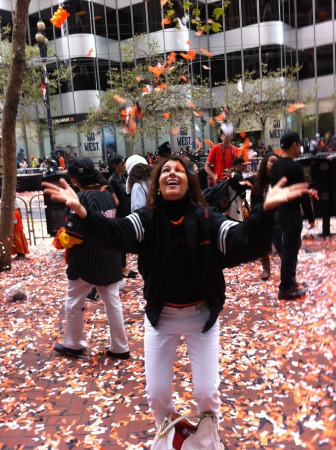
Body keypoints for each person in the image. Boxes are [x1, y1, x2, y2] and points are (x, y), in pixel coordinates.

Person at [43, 154, 309, 430]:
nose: (172, 173)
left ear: (189, 181)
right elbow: (116, 233)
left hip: (202, 317)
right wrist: (83, 213)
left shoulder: (207, 218)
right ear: (157, 183)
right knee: (157, 395)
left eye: (179, 170)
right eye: (165, 170)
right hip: (161, 318)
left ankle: (207, 440)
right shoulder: (147, 220)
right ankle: (171, 436)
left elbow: (242, 241)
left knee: (206, 393)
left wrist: (264, 211)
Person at [50, 157, 130, 359]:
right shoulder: (106, 191)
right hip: (110, 256)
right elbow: (116, 210)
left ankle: (74, 343)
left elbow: (73, 236)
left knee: (74, 301)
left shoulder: (82, 198)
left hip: (86, 260)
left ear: (75, 178)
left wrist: (61, 237)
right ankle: (120, 347)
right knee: (112, 302)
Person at [270, 132, 315, 300]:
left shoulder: (275, 166)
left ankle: (291, 280)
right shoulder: (294, 167)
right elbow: (302, 193)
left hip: (279, 212)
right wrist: (310, 216)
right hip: (292, 213)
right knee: (290, 250)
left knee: (292, 248)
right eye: (298, 145)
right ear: (294, 145)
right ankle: (285, 287)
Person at [250, 152, 279, 280]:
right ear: (265, 163)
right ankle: (266, 268)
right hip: (262, 215)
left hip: (278, 215)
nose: (274, 164)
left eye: (277, 162)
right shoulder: (258, 181)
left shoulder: (279, 179)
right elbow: (254, 202)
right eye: (272, 161)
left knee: (280, 243)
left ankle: (287, 270)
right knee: (262, 244)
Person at [108, 154, 135, 279]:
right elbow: (114, 200)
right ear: (115, 166)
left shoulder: (123, 177)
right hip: (119, 214)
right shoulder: (112, 180)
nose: (124, 166)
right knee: (121, 241)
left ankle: (124, 266)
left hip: (126, 211)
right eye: (122, 164)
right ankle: (121, 267)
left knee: (126, 241)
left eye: (124, 164)